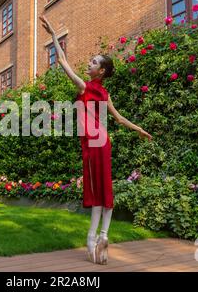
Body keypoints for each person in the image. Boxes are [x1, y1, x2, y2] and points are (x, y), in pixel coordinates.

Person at [39, 15, 153, 265]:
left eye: (93, 63)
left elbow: (61, 60)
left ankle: (93, 238)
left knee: (95, 190)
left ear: (101, 71)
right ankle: (102, 235)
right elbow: (120, 119)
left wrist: (54, 36)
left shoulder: (85, 88)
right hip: (103, 143)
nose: (88, 65)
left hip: (93, 145)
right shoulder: (103, 92)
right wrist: (139, 129)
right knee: (105, 190)